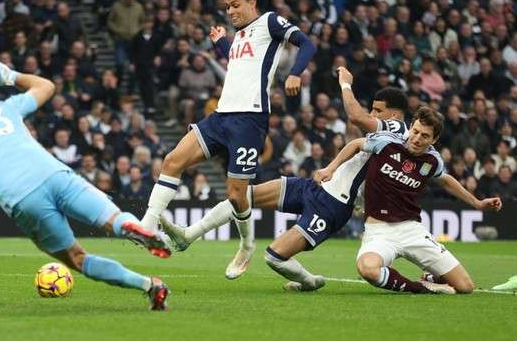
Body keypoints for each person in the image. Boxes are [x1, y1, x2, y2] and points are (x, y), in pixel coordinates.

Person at [0, 52, 171, 310]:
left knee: (78, 258)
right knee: (114, 219)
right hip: (55, 175)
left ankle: (150, 286)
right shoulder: (4, 109)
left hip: (24, 199)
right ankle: (135, 228)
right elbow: (46, 86)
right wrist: (7, 75)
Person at [161, 67, 409, 289]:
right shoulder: (386, 134)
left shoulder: (398, 130)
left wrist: (345, 84)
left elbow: (356, 117)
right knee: (241, 196)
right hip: (315, 186)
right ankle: (187, 236)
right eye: (373, 109)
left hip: (333, 205)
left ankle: (308, 281)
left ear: (395, 116)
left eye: (378, 111)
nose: (373, 114)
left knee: (274, 257)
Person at [140, 0, 317, 279]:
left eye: (235, 5)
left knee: (237, 195)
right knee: (172, 160)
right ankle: (146, 225)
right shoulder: (240, 35)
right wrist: (222, 43)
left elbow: (307, 44)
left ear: (252, 1)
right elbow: (239, 64)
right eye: (227, 7)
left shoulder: (270, 21)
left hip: (249, 119)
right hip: (221, 116)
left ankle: (246, 245)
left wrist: (294, 74)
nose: (231, 11)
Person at [330, 107, 502, 294]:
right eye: (415, 131)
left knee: (465, 287)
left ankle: (430, 276)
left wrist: (476, 203)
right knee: (367, 269)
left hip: (412, 231)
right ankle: (423, 287)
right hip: (379, 232)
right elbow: (355, 144)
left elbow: (444, 179)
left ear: (434, 140)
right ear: (410, 127)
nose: (417, 138)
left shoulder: (432, 160)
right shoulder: (385, 142)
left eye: (425, 136)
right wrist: (329, 169)